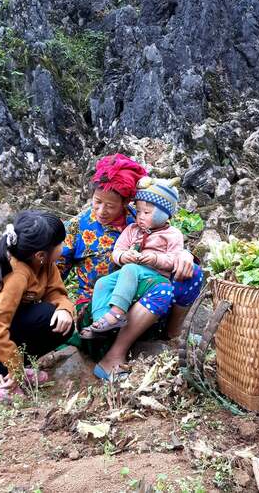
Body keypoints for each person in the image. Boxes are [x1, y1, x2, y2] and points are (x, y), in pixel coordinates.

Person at [58, 154, 204, 380]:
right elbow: (53, 274)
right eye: (97, 202)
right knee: (158, 289)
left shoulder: (140, 216)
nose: (101, 211)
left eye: (110, 205)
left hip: (144, 303)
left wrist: (185, 255)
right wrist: (60, 308)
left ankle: (171, 335)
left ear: (126, 204)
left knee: (192, 272)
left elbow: (167, 239)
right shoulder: (77, 227)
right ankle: (114, 355)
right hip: (100, 310)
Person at [0, 210, 75, 400]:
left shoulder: (45, 264)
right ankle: (0, 375)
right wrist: (13, 364)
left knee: (62, 324)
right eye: (60, 244)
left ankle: (17, 367)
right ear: (40, 254)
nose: (63, 246)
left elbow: (55, 292)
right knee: (45, 315)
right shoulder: (17, 275)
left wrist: (65, 309)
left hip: (7, 326)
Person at [80, 177, 184, 339]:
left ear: (165, 214)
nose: (140, 216)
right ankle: (101, 321)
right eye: (139, 211)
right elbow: (117, 251)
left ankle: (116, 314)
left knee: (130, 269)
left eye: (147, 213)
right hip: (129, 276)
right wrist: (123, 256)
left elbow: (174, 260)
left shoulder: (172, 234)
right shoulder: (132, 229)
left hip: (154, 278)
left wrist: (154, 258)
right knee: (102, 283)